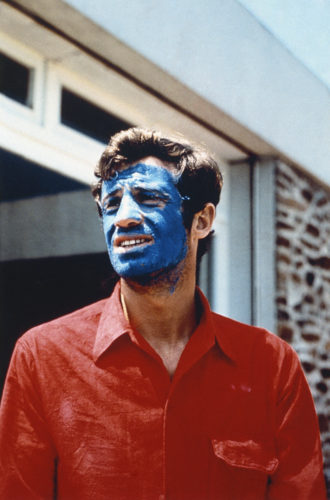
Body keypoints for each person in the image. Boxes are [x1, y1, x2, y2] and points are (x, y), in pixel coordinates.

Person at [0, 127, 326, 499]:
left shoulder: (271, 367)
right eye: (111, 204)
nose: (123, 218)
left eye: (147, 198)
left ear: (201, 220)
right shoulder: (42, 357)